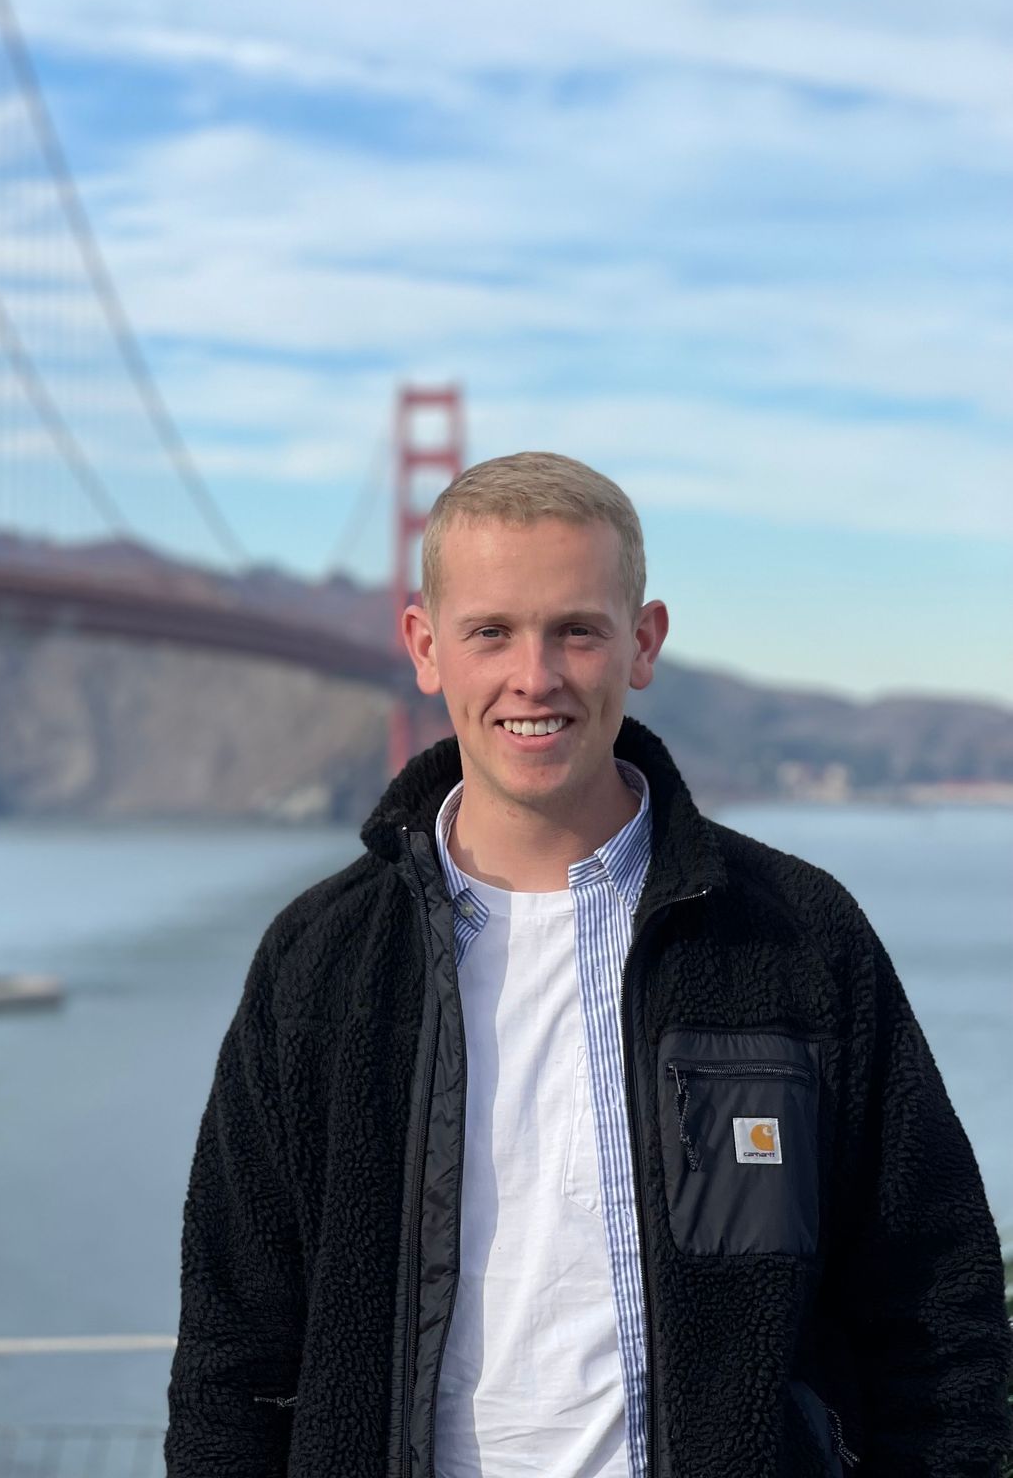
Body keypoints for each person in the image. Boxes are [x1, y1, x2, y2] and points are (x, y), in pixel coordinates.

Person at [164, 452, 1012, 1477]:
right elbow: (233, 1356)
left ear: (642, 642)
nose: (535, 676)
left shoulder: (799, 938)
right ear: (425, 648)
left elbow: (937, 1308)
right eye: (491, 632)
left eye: (576, 629)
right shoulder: (317, 965)